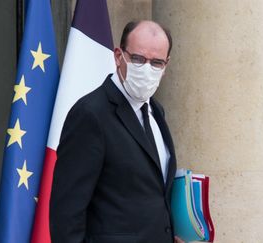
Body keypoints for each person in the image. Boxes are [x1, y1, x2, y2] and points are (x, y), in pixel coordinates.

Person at [50, 20, 183, 243]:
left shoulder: (156, 112)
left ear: (166, 65)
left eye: (156, 63)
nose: (147, 69)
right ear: (119, 56)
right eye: (138, 59)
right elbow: (66, 215)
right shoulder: (90, 114)